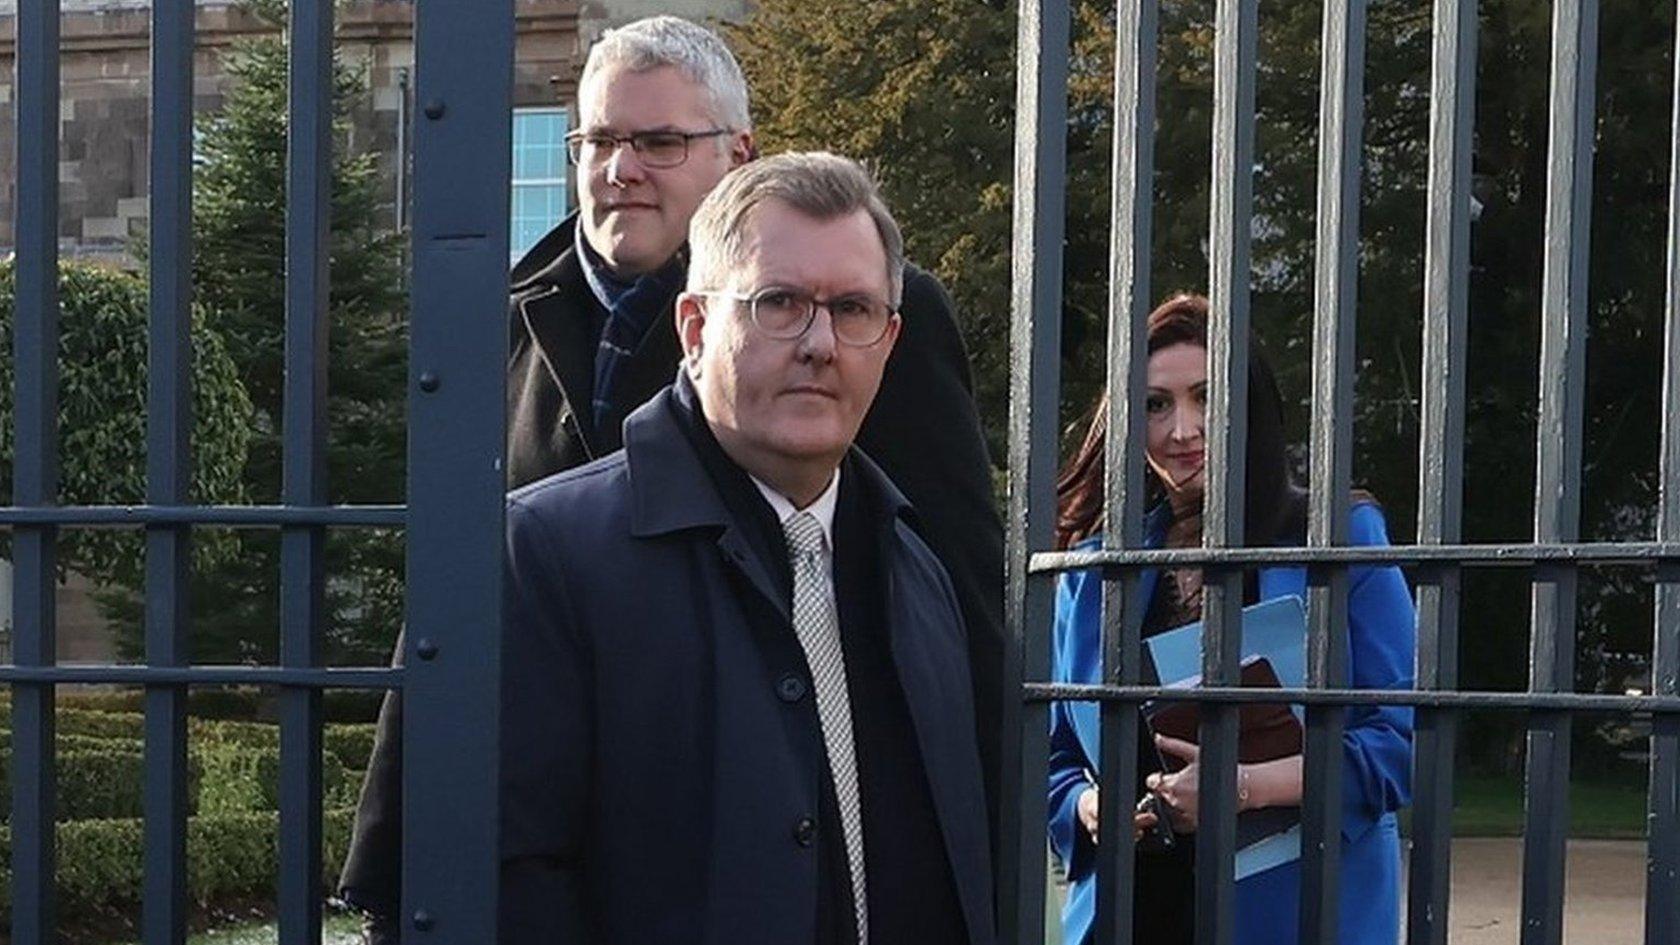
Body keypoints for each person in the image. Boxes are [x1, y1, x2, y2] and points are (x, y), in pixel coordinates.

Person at [339, 17, 1005, 939]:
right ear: (700, 329)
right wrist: (395, 855)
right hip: (566, 796)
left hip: (777, 805)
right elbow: (460, 594)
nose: (620, 169)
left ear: (740, 154)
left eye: (657, 141)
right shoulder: (510, 316)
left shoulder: (871, 313)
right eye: (598, 141)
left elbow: (949, 579)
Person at [500, 151, 994, 944]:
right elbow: (481, 883)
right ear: (694, 329)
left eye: (854, 310)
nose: (820, 343)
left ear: (891, 339)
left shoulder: (916, 572)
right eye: (779, 302)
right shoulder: (546, 554)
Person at [1045, 294, 1415, 945]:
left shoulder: (1339, 534)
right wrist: (1086, 806)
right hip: (1133, 915)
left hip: (1293, 912)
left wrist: (1243, 787)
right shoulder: (1096, 564)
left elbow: (1398, 743)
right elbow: (1053, 757)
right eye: (1157, 404)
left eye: (1205, 396)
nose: (1182, 429)